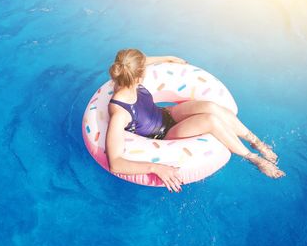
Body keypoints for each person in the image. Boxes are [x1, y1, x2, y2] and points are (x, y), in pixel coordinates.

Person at [105, 48, 286, 193]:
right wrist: (156, 168)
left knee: (210, 107)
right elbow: (115, 163)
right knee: (210, 120)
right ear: (138, 77)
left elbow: (140, 62)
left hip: (165, 113)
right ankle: (253, 159)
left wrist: (168, 58)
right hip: (163, 135)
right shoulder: (120, 113)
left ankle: (256, 142)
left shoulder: (125, 74)